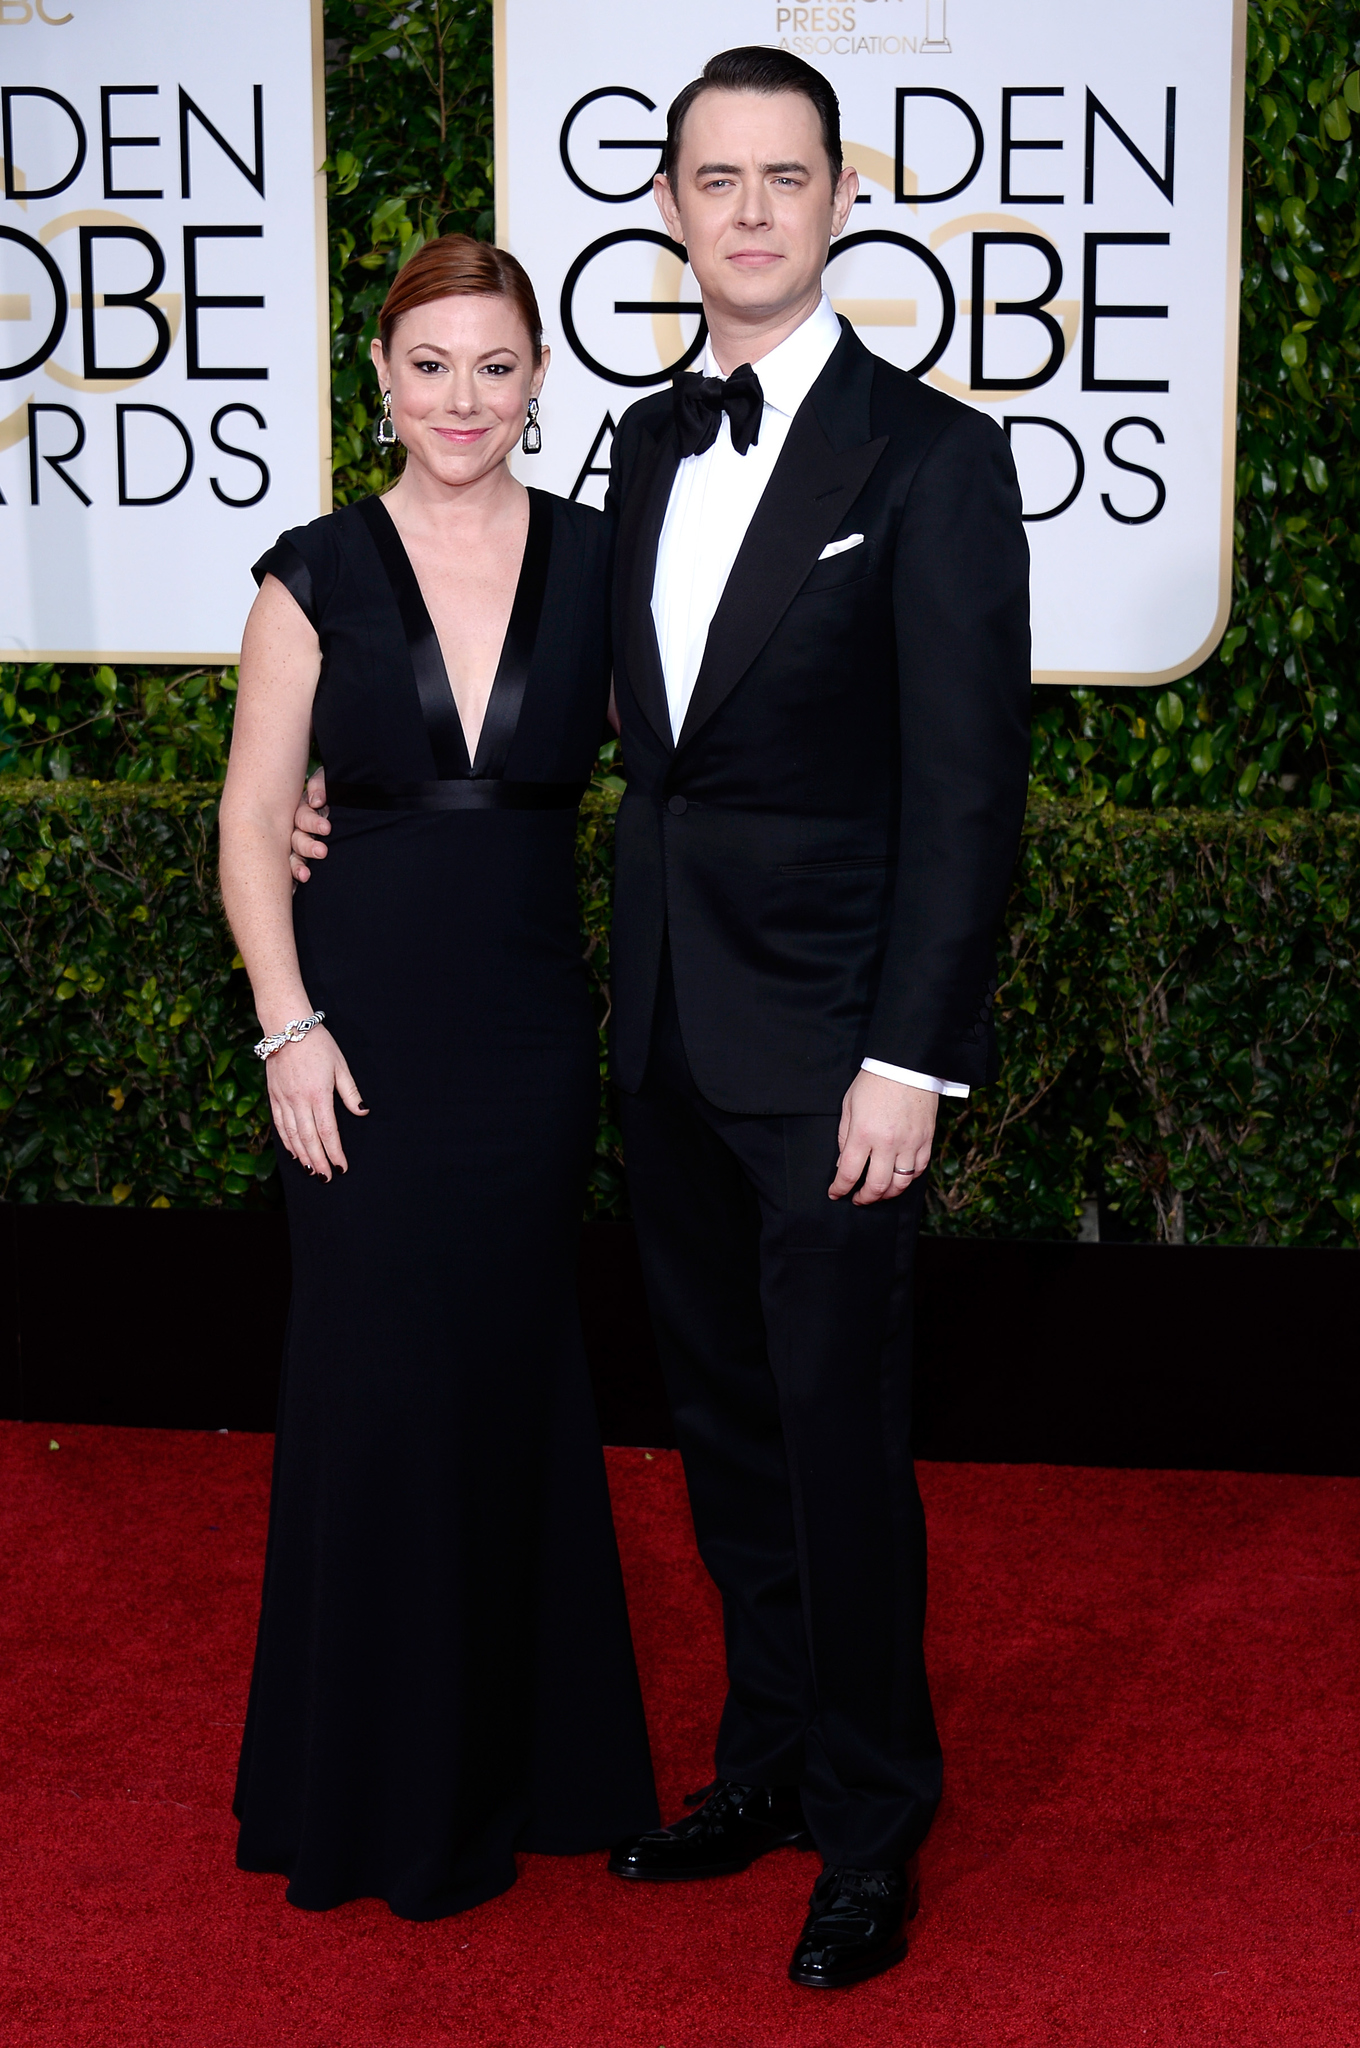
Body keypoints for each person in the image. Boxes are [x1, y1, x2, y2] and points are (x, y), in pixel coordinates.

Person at [292, 46, 1029, 1987]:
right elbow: (572, 717)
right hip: (660, 1041)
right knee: (722, 1433)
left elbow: (965, 793)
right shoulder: (624, 442)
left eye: (786, 178)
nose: (752, 211)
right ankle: (767, 1758)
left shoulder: (930, 460)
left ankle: (871, 1817)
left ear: (838, 200)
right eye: (717, 180)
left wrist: (911, 1056)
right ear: (675, 209)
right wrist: (332, 787)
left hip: (838, 1060)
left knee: (841, 1437)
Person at [218, 233, 657, 1923]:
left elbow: (692, 774)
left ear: (537, 380)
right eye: (431, 366)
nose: (462, 399)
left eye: (495, 366)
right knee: (375, 1390)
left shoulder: (606, 564)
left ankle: (534, 1767)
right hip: (360, 1032)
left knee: (510, 1377)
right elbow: (256, 827)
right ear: (382, 380)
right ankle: (372, 1789)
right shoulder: (310, 573)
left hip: (532, 1041)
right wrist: (288, 1024)